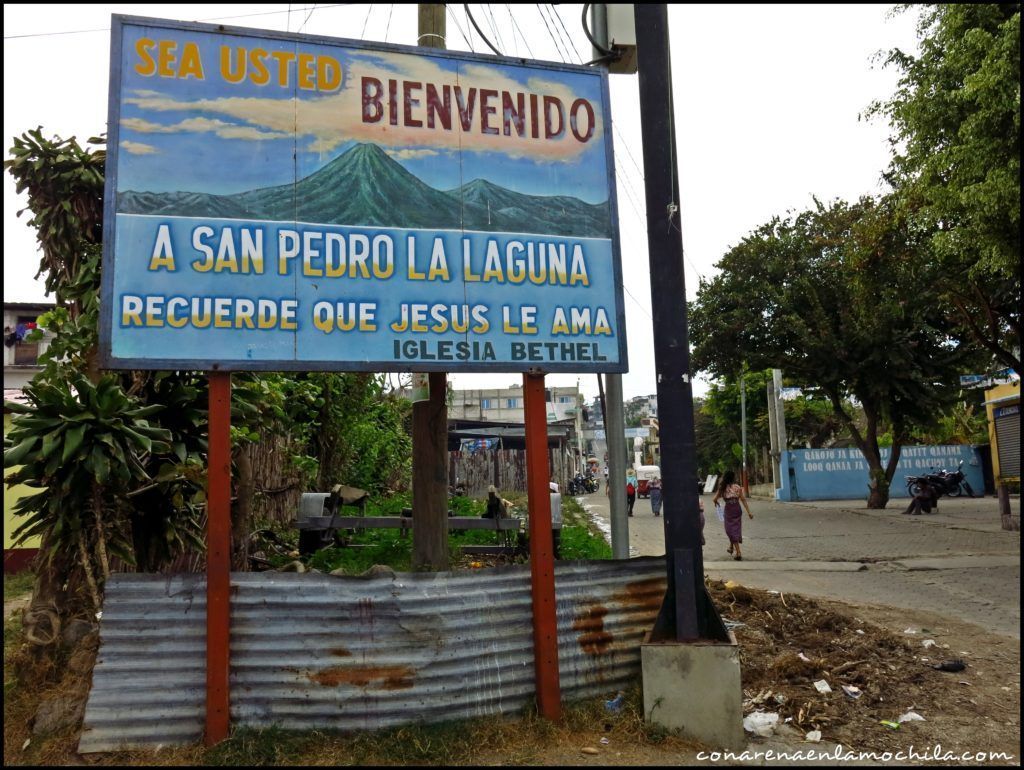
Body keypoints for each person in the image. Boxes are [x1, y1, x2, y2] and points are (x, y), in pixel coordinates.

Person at [712, 470, 753, 560]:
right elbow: (743, 500)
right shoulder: (737, 487)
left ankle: (738, 552)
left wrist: (717, 503)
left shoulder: (722, 488)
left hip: (729, 511)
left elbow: (714, 499)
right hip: (737, 510)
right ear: (733, 478)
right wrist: (749, 512)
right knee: (734, 529)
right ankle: (731, 547)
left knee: (729, 530)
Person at [549, 480, 562, 559]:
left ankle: (555, 555)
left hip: (554, 521)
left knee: (554, 540)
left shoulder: (555, 496)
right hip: (554, 521)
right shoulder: (554, 496)